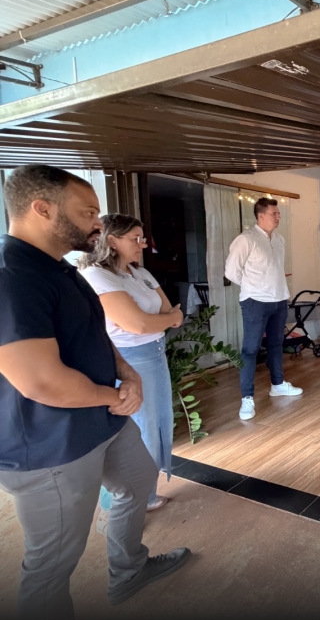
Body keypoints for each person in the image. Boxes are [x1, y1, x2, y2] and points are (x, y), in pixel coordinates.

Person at [0, 165, 190, 617]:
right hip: (51, 444)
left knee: (138, 482)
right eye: (88, 213)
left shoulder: (62, 268)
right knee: (51, 564)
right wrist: (115, 396)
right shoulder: (12, 276)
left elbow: (95, 332)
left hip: (102, 421)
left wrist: (126, 371)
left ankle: (129, 571)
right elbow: (41, 381)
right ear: (42, 209)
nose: (98, 225)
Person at [79, 214, 184, 525]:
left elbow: (168, 310)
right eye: (135, 238)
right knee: (135, 430)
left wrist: (161, 320)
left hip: (154, 353)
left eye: (142, 238)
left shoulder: (140, 272)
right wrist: (165, 320)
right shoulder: (98, 276)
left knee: (157, 424)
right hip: (128, 358)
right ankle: (119, 506)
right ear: (112, 241)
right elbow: (137, 324)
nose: (143, 244)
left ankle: (144, 496)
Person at [225, 197, 302, 422]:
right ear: (260, 216)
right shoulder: (246, 239)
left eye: (279, 213)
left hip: (279, 299)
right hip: (255, 302)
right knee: (250, 349)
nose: (278, 217)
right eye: (274, 214)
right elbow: (231, 271)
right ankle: (247, 398)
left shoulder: (279, 239)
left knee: (276, 344)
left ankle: (277, 384)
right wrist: (253, 287)